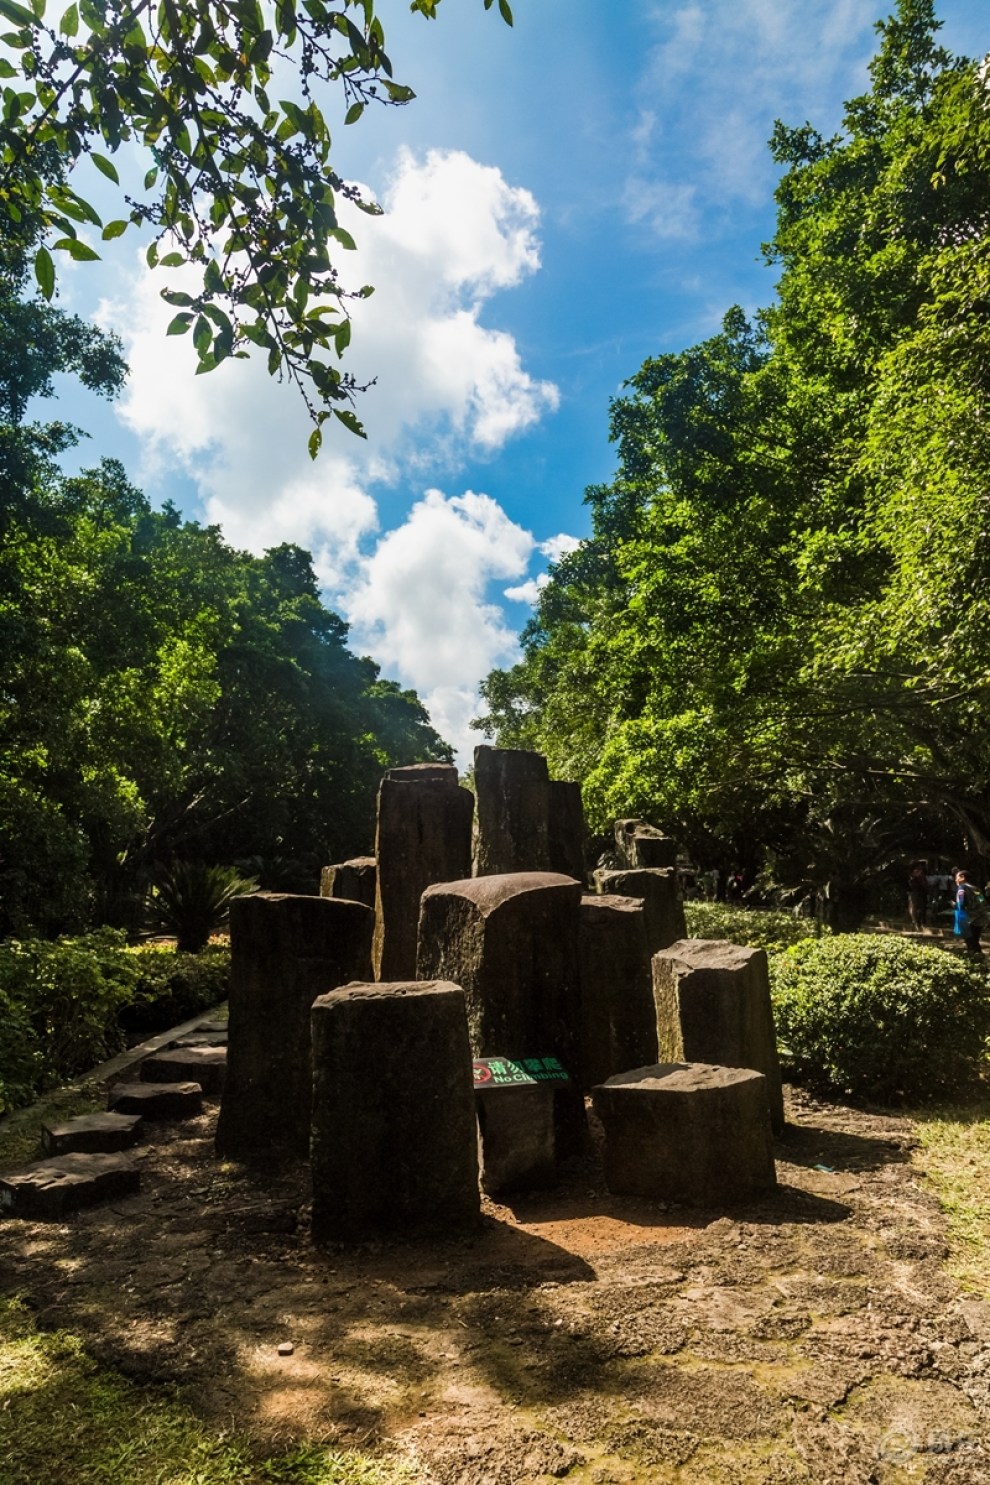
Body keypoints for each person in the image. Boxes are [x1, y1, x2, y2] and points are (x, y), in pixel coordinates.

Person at [954, 870, 985, 958]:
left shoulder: (962, 887)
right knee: (975, 940)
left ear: (962, 877)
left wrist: (955, 905)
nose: (955, 880)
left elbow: (961, 903)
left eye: (957, 877)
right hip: (980, 918)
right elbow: (982, 901)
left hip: (968, 918)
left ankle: (974, 959)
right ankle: (979, 958)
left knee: (970, 941)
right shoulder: (976, 888)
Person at [907, 863, 929, 931]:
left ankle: (921, 921)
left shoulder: (922, 875)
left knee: (922, 907)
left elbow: (925, 883)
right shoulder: (913, 875)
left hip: (922, 892)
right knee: (914, 906)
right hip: (914, 892)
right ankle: (915, 921)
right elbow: (911, 884)